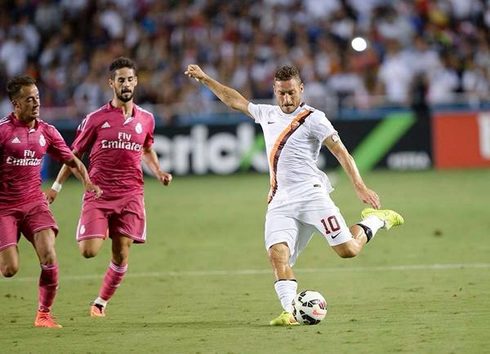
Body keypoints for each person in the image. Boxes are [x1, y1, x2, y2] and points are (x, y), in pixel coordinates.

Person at [184, 64, 404, 326]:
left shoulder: (314, 118)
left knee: (348, 250)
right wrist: (206, 78)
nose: (286, 99)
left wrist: (359, 185)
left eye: (291, 93)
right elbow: (234, 100)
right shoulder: (266, 113)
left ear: (301, 89)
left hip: (312, 196)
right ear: (274, 91)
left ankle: (376, 219)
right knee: (277, 254)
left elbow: (341, 152)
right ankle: (290, 311)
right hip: (279, 201)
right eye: (281, 94)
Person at [46, 57, 172, 317]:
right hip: (99, 193)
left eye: (129, 79)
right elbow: (73, 155)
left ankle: (100, 303)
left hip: (131, 194)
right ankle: (100, 227)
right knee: (88, 251)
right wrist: (56, 187)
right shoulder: (95, 118)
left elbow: (147, 149)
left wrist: (158, 172)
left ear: (136, 82)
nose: (126, 84)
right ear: (111, 83)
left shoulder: (146, 119)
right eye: (120, 80)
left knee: (121, 253)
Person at [0, 75, 102, 328]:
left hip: (34, 202)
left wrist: (87, 182)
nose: (36, 103)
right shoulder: (2, 132)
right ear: (16, 103)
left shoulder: (47, 131)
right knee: (9, 269)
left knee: (49, 254)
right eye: (29, 99)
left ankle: (43, 314)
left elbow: (72, 161)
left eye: (37, 98)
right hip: (4, 206)